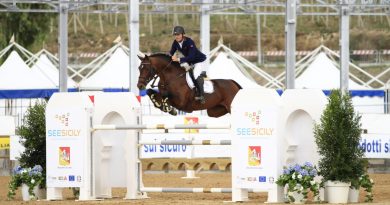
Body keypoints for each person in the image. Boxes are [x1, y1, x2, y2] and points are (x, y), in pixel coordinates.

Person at [169, 26, 207, 104]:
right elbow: (171, 52)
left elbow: (192, 57)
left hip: (198, 61)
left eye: (178, 34)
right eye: (175, 35)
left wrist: (179, 59)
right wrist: (171, 57)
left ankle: (202, 96)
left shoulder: (189, 42)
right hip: (189, 62)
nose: (177, 36)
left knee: (195, 75)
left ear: (182, 34)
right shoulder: (175, 42)